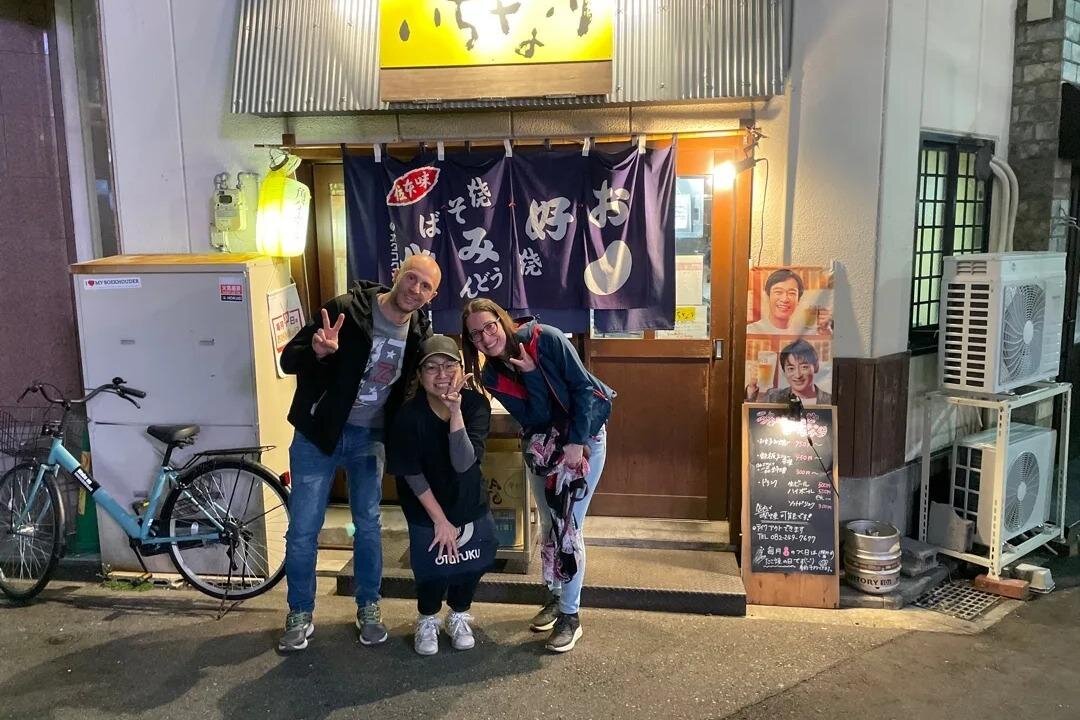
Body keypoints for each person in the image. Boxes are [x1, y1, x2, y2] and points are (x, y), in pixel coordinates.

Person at [276, 255, 440, 652]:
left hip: (371, 439)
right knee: (303, 529)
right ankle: (300, 611)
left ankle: (368, 606)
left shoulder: (420, 331)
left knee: (368, 525)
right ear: (397, 274)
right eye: (412, 278)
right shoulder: (346, 309)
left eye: (426, 286)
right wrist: (318, 352)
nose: (415, 290)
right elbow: (288, 359)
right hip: (318, 435)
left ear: (432, 296)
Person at [461, 299, 615, 653]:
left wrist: (576, 442)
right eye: (475, 334)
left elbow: (582, 388)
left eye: (489, 327)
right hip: (544, 446)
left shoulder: (546, 338)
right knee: (548, 523)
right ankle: (556, 596)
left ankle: (571, 616)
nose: (486, 338)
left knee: (568, 527)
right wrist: (530, 374)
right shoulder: (492, 375)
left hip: (584, 439)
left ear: (502, 320)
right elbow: (535, 417)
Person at [388, 335, 495, 656]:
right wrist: (440, 521)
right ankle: (427, 618)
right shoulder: (408, 415)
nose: (442, 374)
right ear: (420, 375)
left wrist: (455, 411)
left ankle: (459, 614)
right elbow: (411, 472)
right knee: (431, 570)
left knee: (471, 565)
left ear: (462, 370)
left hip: (468, 500)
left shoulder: (476, 405)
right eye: (432, 367)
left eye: (449, 366)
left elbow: (463, 462)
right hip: (425, 506)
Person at [746, 339, 832, 405]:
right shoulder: (772, 397)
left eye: (804, 367)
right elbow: (752, 417)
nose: (798, 375)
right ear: (784, 371)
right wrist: (752, 387)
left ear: (816, 366)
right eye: (791, 368)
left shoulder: (830, 400)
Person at [747, 268, 805, 334]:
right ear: (768, 296)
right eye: (778, 292)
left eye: (791, 293)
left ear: (798, 299)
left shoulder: (805, 333)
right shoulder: (751, 331)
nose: (784, 299)